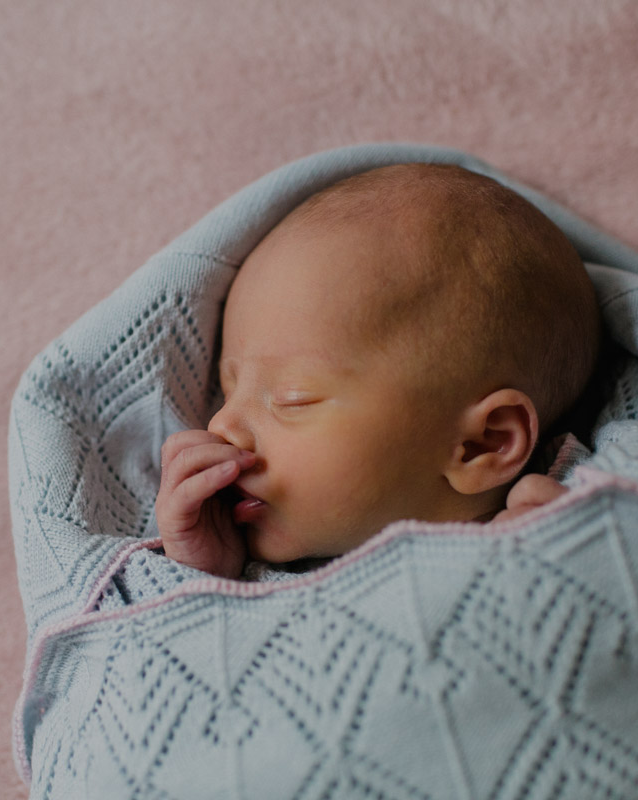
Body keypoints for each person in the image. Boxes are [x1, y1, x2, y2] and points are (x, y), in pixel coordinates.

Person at [154, 163, 600, 578]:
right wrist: (202, 574)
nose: (220, 425)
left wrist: (564, 565)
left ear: (482, 443)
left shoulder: (559, 547)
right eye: (228, 391)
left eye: (293, 398)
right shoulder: (253, 579)